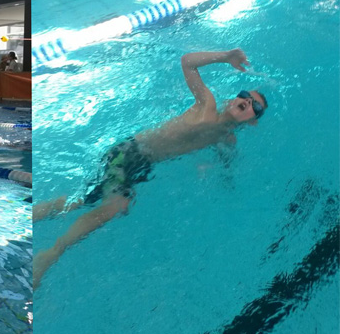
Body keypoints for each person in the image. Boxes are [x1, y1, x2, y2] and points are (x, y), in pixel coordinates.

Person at [33, 49, 268, 285]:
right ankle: (52, 253)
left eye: (254, 107)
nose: (247, 101)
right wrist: (226, 56)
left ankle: (38, 213)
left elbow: (226, 166)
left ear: (253, 121)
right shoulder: (206, 104)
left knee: (82, 201)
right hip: (128, 152)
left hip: (144, 164)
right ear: (233, 98)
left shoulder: (225, 139)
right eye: (245, 95)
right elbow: (187, 62)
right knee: (117, 204)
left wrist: (209, 169)